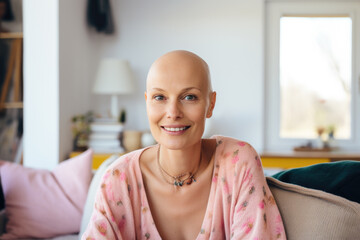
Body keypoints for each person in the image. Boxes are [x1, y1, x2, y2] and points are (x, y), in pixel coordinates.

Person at [82, 50, 286, 239]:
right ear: (147, 103)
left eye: (189, 97)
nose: (173, 112)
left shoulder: (238, 163)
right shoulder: (118, 179)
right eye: (159, 97)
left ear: (210, 104)